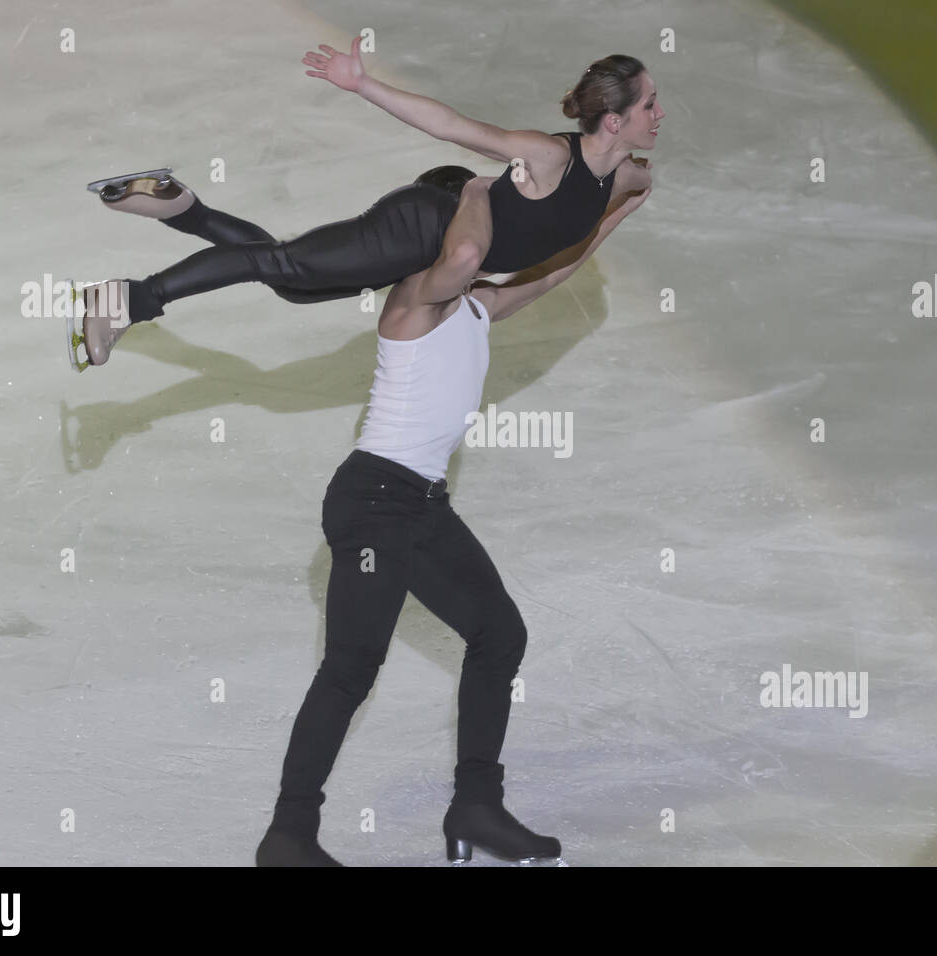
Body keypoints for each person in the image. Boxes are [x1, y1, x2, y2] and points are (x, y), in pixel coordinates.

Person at [255, 171, 651, 866]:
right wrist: (476, 189)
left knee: (499, 634)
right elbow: (463, 257)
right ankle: (289, 836)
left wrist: (613, 209)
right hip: (373, 504)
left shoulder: (472, 309)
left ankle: (476, 808)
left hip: (422, 504)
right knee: (351, 667)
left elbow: (558, 270)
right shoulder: (414, 299)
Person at [73, 41, 662, 368]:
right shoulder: (550, 158)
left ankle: (186, 210)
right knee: (282, 265)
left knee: (291, 281)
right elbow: (454, 125)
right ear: (614, 120)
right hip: (421, 224)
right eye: (649, 106)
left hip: (430, 258)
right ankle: (128, 299)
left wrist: (624, 208)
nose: (659, 116)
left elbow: (587, 231)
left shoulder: (625, 180)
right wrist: (363, 84)